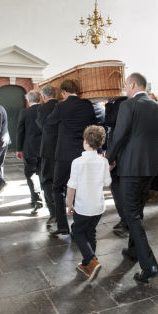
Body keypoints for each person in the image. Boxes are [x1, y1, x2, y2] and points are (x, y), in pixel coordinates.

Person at [106, 72, 158, 283]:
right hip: (150, 167)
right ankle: (133, 250)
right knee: (137, 211)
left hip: (131, 167)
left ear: (133, 84)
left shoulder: (129, 105)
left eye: (127, 85)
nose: (126, 89)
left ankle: (149, 264)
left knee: (131, 214)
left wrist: (110, 158)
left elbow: (120, 134)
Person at [47, 79, 96, 235]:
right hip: (83, 153)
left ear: (63, 92)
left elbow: (49, 122)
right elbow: (94, 126)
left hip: (64, 154)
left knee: (58, 188)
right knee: (80, 189)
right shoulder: (87, 105)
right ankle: (78, 227)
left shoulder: (61, 106)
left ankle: (62, 226)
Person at [67, 125, 111, 281]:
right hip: (98, 206)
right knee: (91, 232)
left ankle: (92, 260)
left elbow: (72, 186)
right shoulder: (103, 162)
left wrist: (69, 204)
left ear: (85, 141)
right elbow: (107, 183)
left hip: (83, 206)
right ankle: (87, 263)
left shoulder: (77, 162)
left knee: (77, 231)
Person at [104, 96, 128, 235]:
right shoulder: (131, 101)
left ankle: (125, 220)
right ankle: (128, 219)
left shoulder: (119, 103)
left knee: (116, 186)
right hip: (129, 152)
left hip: (117, 150)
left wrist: (108, 104)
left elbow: (110, 122)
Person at [16, 90, 43, 212]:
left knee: (30, 174)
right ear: (40, 99)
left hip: (30, 148)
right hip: (45, 148)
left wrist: (18, 149)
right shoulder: (45, 110)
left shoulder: (25, 112)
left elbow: (20, 131)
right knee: (43, 174)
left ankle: (37, 200)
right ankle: (48, 199)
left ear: (28, 100)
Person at [36, 85, 58, 225]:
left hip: (48, 149)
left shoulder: (42, 108)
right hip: (62, 148)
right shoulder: (61, 105)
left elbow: (41, 124)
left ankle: (54, 213)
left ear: (44, 97)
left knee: (46, 181)